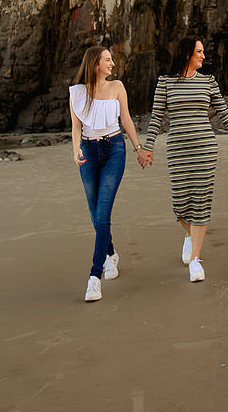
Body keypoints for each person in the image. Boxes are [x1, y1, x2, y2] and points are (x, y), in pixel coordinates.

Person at [140, 36, 228, 283]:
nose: (204, 56)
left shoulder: (208, 82)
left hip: (205, 148)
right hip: (178, 149)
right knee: (180, 205)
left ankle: (195, 259)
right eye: (199, 51)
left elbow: (224, 114)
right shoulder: (165, 83)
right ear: (186, 54)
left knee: (201, 202)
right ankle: (189, 236)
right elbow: (156, 118)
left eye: (203, 51)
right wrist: (146, 147)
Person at [69, 45, 148, 302]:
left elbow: (126, 119)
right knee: (95, 213)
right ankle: (111, 253)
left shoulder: (117, 87)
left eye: (111, 59)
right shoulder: (78, 93)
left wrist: (138, 148)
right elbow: (76, 127)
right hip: (89, 153)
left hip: (114, 149)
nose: (112, 63)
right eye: (107, 59)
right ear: (94, 64)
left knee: (103, 214)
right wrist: (75, 151)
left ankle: (94, 277)